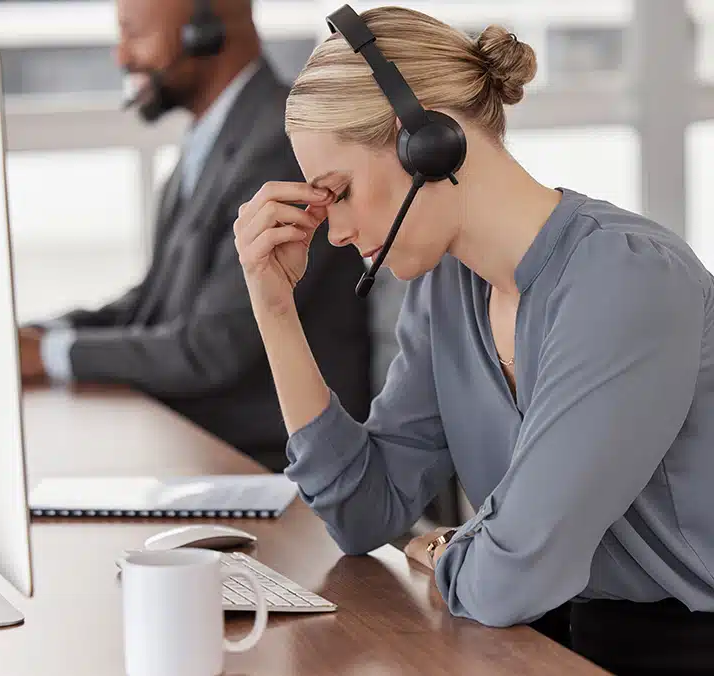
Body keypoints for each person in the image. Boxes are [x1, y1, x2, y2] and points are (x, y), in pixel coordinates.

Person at [233, 5, 714, 674]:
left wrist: (440, 547)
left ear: (427, 143)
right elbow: (362, 513)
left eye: (336, 193)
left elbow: (510, 578)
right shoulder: (448, 289)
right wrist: (273, 307)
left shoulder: (626, 279)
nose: (334, 232)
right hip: (545, 642)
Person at [18, 0, 372, 472]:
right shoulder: (212, 141)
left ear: (205, 32)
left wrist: (49, 355)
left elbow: (211, 347)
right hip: (204, 449)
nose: (121, 57)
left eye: (135, 34)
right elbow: (152, 302)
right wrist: (45, 334)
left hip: (265, 466)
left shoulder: (283, 142)